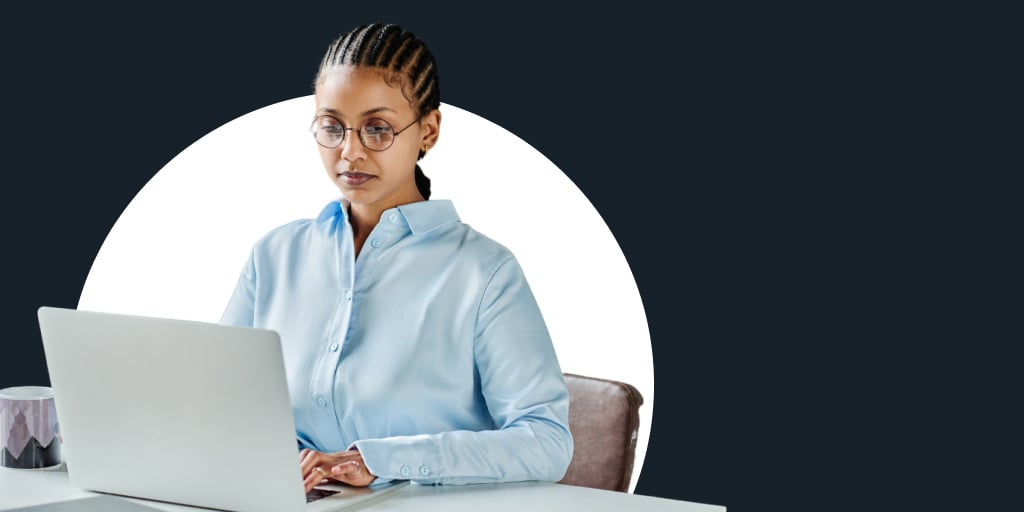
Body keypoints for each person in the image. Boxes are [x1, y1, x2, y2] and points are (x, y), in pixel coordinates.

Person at [219, 23, 573, 491]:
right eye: (331, 127)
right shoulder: (275, 255)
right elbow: (218, 401)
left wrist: (384, 460)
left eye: (377, 129)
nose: (349, 152)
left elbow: (545, 442)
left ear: (428, 131)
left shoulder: (484, 272)